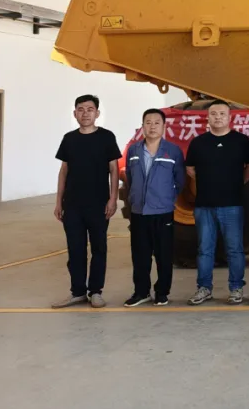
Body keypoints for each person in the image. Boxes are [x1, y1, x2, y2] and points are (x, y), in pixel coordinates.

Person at [51, 95, 122, 309]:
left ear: (97, 113)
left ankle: (96, 292)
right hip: (72, 204)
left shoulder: (106, 137)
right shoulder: (69, 139)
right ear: (75, 114)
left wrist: (113, 199)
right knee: (75, 249)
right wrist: (59, 202)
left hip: (99, 204)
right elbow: (64, 170)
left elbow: (114, 169)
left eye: (90, 109)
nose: (85, 113)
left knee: (99, 248)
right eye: (80, 109)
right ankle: (78, 292)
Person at [184, 100, 249, 306]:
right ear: (207, 117)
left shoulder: (241, 141)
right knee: (205, 249)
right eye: (214, 114)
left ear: (229, 117)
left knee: (235, 249)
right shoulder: (198, 142)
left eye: (222, 114)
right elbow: (190, 169)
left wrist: (235, 183)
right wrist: (208, 182)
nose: (218, 117)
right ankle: (204, 288)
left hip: (232, 205)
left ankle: (236, 288)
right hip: (204, 206)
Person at [123, 108, 185, 307]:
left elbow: (180, 180)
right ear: (142, 126)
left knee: (164, 255)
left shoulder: (173, 151)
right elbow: (130, 177)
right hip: (139, 211)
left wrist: (166, 198)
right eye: (148, 122)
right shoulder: (133, 151)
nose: (152, 126)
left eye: (157, 123)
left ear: (164, 126)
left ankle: (162, 292)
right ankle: (141, 292)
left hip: (162, 211)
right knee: (140, 255)